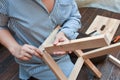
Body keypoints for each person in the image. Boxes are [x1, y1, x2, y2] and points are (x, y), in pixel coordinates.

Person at [0, 0, 81, 80]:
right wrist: (15, 48)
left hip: (67, 38)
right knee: (81, 76)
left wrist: (65, 33)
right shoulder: (7, 2)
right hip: (41, 60)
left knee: (93, 48)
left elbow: (74, 16)